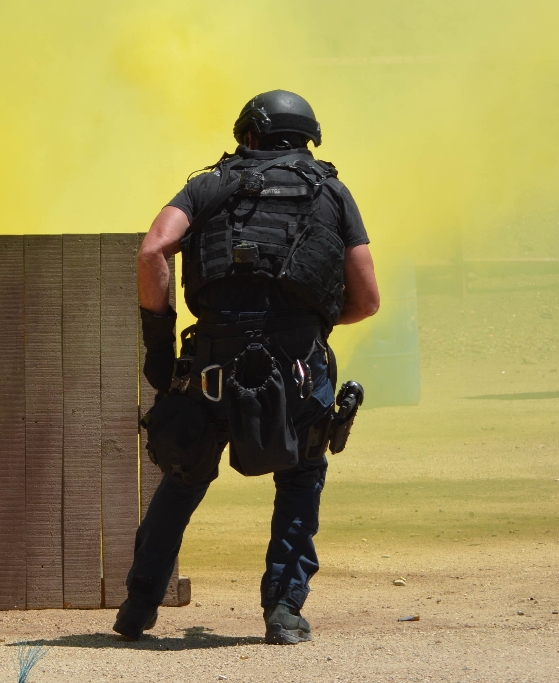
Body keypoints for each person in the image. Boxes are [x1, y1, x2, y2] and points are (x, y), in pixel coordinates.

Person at [114, 90, 379, 644]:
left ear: (248, 135)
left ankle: (138, 608)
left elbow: (152, 252)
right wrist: (310, 327)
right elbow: (367, 299)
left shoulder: (210, 185)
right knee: (301, 478)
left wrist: (159, 347)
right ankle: (283, 613)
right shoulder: (332, 192)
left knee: (182, 478)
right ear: (307, 139)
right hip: (299, 367)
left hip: (211, 361)